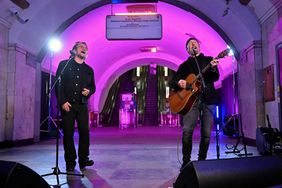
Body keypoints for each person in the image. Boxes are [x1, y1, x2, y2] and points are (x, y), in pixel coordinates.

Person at [169, 37, 220, 171]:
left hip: (208, 99)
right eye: (190, 44)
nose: (193, 45)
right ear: (187, 50)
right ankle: (186, 162)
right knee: (187, 131)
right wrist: (179, 83)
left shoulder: (208, 60)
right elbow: (172, 82)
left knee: (207, 133)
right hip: (191, 102)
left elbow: (215, 77)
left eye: (195, 43)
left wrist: (214, 69)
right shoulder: (184, 66)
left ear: (199, 47)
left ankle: (202, 161)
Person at [55, 41, 96, 171]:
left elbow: (93, 87)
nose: (84, 49)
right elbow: (58, 84)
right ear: (74, 50)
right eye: (81, 47)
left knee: (85, 132)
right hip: (68, 105)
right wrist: (62, 101)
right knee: (68, 134)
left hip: (82, 106)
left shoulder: (89, 70)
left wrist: (89, 91)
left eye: (86, 48)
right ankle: (70, 162)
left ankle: (84, 159)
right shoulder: (64, 65)